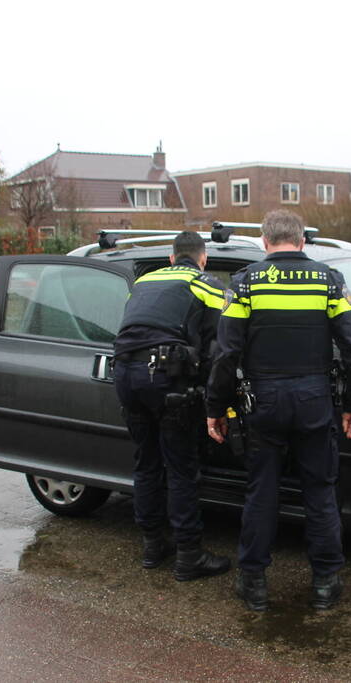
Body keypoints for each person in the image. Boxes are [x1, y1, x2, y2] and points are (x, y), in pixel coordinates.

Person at [206, 210, 351, 611]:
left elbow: (226, 353)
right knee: (320, 492)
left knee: (262, 492)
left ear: (264, 242)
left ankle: (254, 583)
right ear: (302, 242)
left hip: (264, 402)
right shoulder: (329, 281)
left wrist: (216, 407)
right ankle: (326, 583)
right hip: (315, 400)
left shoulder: (244, 284)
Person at [113, 230, 231, 582]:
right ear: (203, 257)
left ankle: (152, 546)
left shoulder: (144, 282)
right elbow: (222, 343)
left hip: (124, 375)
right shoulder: (205, 283)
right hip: (166, 379)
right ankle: (189, 556)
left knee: (146, 464)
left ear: (171, 257)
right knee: (180, 469)